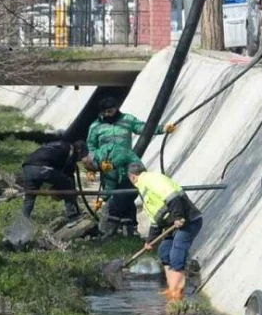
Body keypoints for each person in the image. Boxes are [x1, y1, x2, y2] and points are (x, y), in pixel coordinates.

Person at [86, 97, 175, 236]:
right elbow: (90, 147)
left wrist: (163, 129)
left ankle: (129, 227)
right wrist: (92, 167)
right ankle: (119, 229)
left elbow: (144, 128)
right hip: (107, 167)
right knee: (113, 194)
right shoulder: (95, 127)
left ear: (116, 108)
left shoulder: (128, 119)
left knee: (128, 193)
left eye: (110, 111)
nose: (108, 115)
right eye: (105, 113)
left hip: (127, 165)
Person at [128, 162, 203, 302]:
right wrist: (150, 240)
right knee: (164, 251)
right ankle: (172, 288)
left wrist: (179, 216)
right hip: (172, 225)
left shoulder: (149, 179)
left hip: (188, 220)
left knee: (177, 253)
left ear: (132, 177)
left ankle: (177, 293)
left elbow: (172, 196)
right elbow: (155, 219)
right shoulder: (143, 188)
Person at [19, 140, 87, 220]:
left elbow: (60, 175)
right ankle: (73, 216)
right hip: (41, 167)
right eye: (82, 156)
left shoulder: (61, 146)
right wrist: (72, 192)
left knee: (29, 199)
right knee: (68, 184)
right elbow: (69, 179)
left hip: (27, 167)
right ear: (79, 150)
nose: (81, 159)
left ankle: (21, 225)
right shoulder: (69, 152)